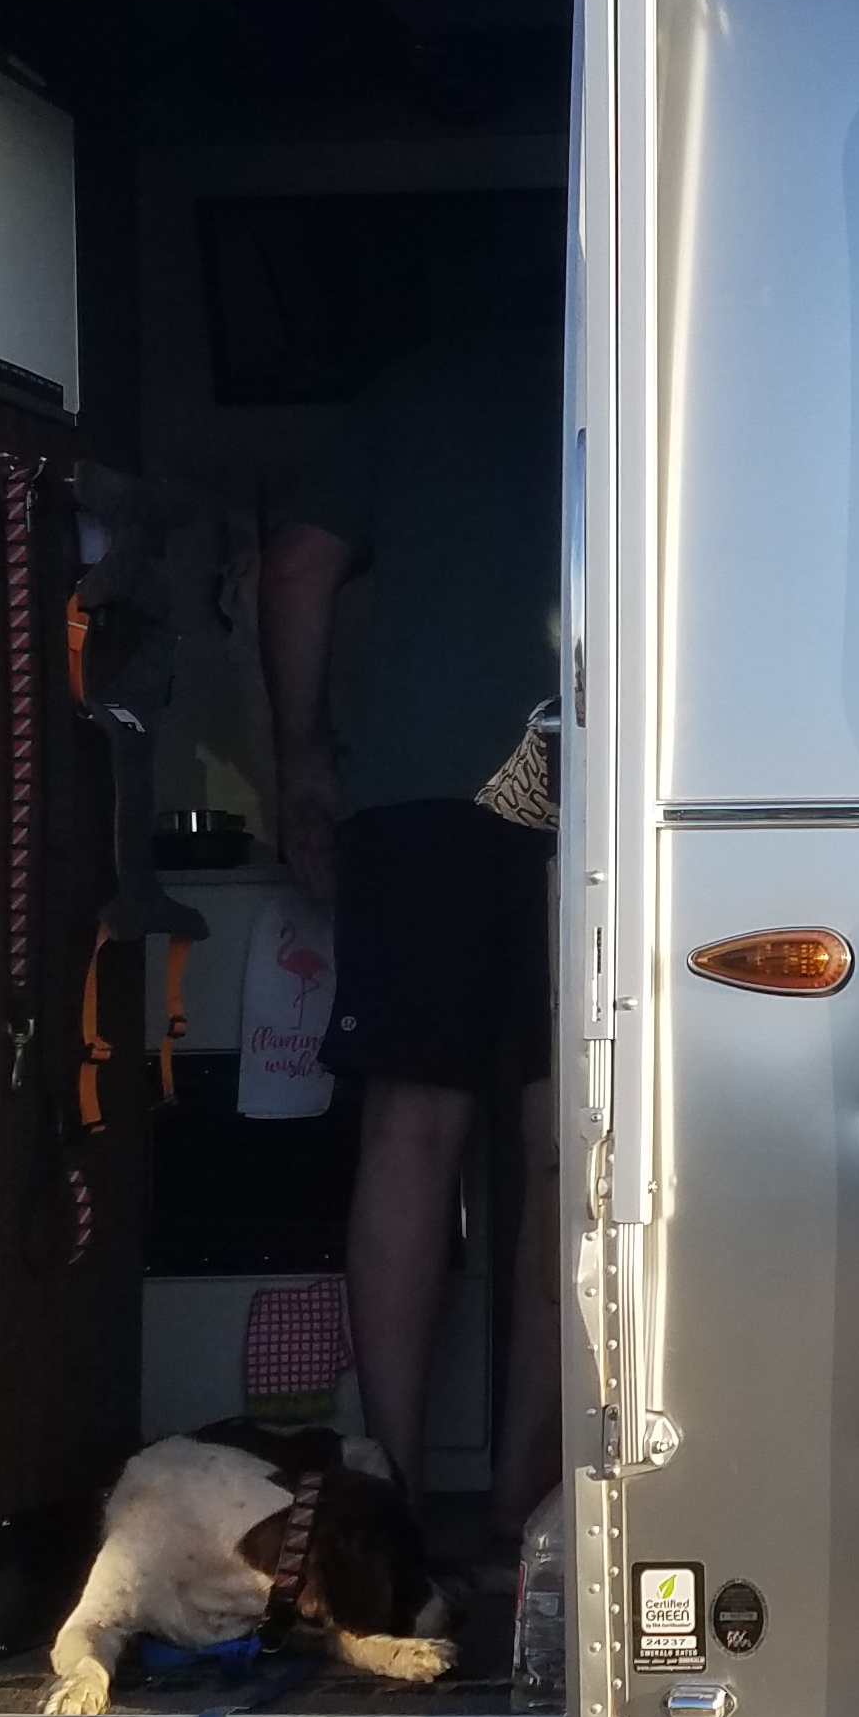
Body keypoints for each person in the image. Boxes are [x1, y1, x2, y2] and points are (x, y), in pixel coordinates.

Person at [258, 329, 563, 1558]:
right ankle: (532, 1512)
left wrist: (300, 758)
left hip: (419, 797)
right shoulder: (648, 345)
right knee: (567, 1143)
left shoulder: (413, 387)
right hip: (593, 786)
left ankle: (391, 1497)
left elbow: (297, 563)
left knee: (411, 1129)